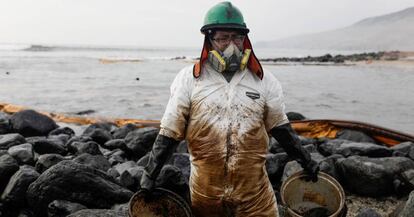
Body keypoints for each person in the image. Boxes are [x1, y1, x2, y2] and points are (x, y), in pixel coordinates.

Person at [140, 2, 319, 216]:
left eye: (237, 38)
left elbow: (279, 126)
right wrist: (150, 174)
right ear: (209, 40)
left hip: (254, 193)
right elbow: (170, 130)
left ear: (245, 39)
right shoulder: (190, 79)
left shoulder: (263, 80)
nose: (231, 45)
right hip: (205, 191)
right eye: (223, 38)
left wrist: (306, 161)